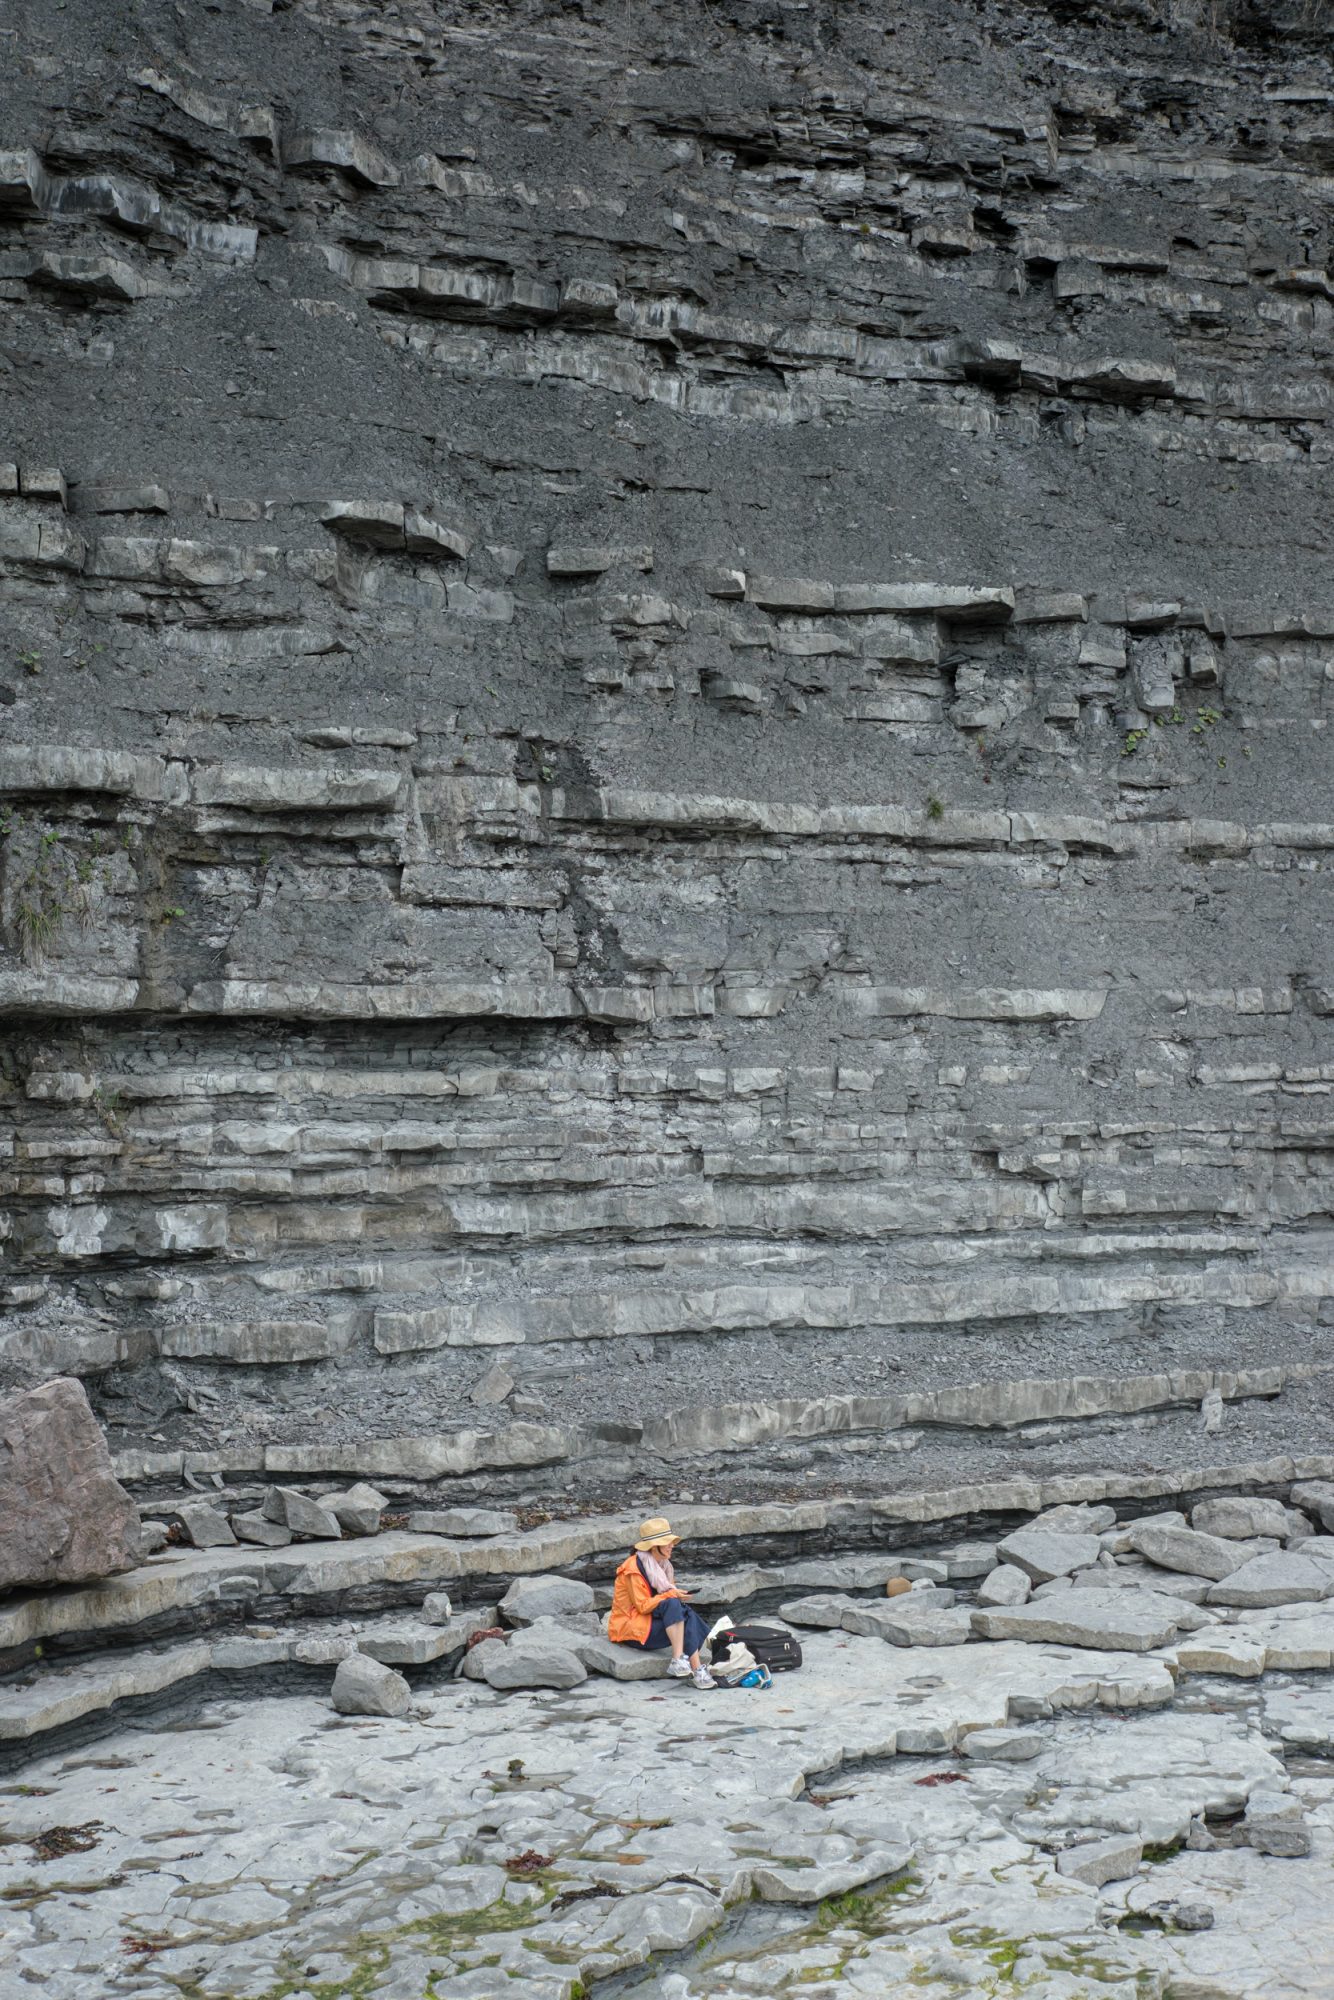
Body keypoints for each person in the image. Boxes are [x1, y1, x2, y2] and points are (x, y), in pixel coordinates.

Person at [608, 1516, 715, 1688]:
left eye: (671, 1541)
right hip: (631, 1630)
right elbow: (643, 1606)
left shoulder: (662, 1566)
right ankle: (692, 1667)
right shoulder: (632, 1569)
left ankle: (684, 1663)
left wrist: (677, 1595)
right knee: (679, 1609)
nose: (671, 1545)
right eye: (666, 1542)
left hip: (650, 1622)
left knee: (680, 1608)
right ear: (653, 1546)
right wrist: (672, 1595)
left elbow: (667, 1599)